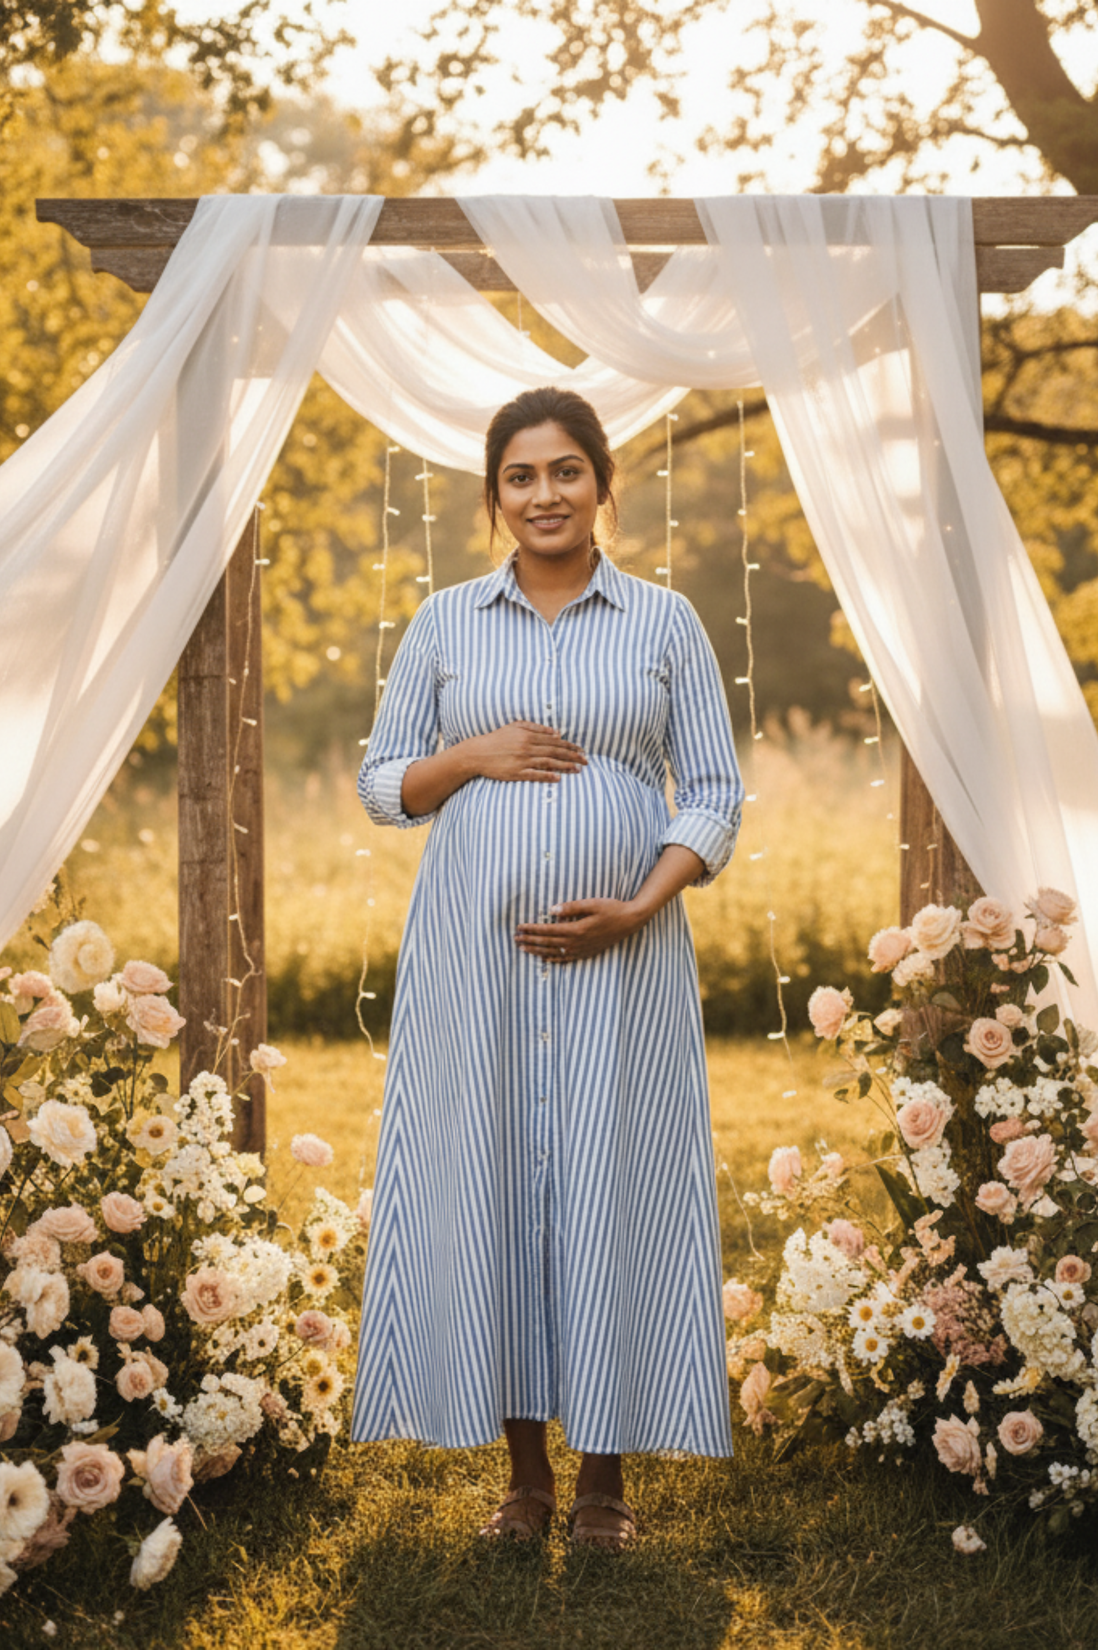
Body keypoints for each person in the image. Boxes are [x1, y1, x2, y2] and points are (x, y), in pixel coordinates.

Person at [351, 385, 743, 1552]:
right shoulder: (444, 623)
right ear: (493, 498)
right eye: (519, 477)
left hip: (624, 964)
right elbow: (383, 786)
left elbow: (714, 793)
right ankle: (522, 1482)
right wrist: (465, 754)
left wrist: (637, 904)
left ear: (601, 483)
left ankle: (605, 1489)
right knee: (499, 1177)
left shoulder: (664, 623)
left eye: (564, 471)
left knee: (609, 1175)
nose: (543, 495)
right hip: (474, 964)